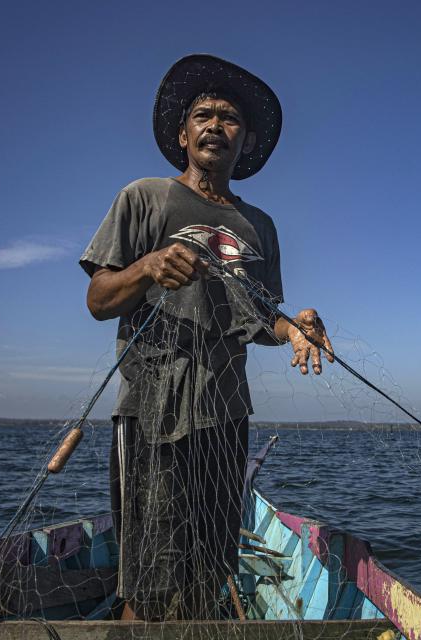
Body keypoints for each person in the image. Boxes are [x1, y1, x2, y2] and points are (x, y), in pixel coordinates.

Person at [79, 54, 334, 621]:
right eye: (203, 115)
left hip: (226, 413)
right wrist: (147, 267)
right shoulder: (144, 197)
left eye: (229, 119)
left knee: (208, 570)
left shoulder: (259, 225)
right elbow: (98, 301)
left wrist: (297, 330)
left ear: (245, 143)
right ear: (183, 134)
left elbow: (260, 316)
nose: (216, 125)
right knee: (146, 579)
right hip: (153, 411)